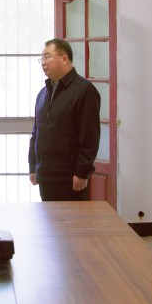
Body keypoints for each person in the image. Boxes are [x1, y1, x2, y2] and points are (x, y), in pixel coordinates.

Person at [29, 38, 100, 200]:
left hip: (70, 178)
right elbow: (36, 133)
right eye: (42, 58)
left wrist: (81, 173)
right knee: (48, 217)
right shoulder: (43, 93)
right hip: (45, 175)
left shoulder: (84, 90)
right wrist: (33, 166)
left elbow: (90, 137)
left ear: (64, 58)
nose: (43, 62)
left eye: (48, 57)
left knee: (72, 218)